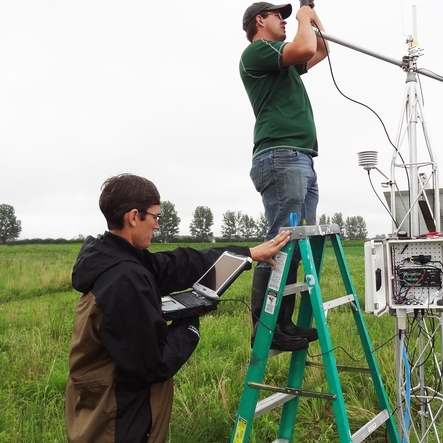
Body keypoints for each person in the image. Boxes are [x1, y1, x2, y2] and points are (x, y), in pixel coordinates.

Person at [65, 173, 290, 443]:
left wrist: (247, 253)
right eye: (155, 216)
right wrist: (191, 322)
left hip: (109, 406)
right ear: (134, 216)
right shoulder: (123, 280)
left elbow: (178, 263)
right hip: (118, 418)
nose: (158, 225)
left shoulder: (114, 258)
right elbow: (153, 364)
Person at [239, 0, 329, 351]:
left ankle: (284, 322)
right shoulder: (258, 53)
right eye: (280, 15)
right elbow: (305, 43)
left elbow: (320, 49)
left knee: (293, 242)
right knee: (280, 240)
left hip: (298, 160)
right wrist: (305, 17)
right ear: (260, 20)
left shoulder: (285, 62)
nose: (286, 20)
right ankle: (267, 328)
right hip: (281, 159)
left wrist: (308, 4)